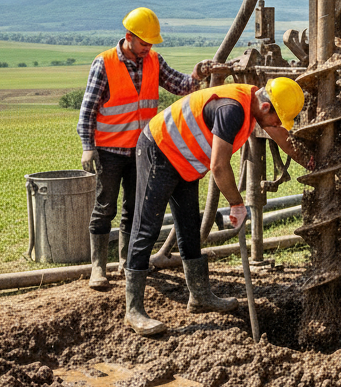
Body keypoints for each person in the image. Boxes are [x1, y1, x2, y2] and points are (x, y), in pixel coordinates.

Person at [123, 77, 308, 337]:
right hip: (160, 148)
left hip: (184, 159)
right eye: (278, 119)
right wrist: (236, 203)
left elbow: (283, 138)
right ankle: (134, 310)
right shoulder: (232, 109)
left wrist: (311, 162)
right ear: (266, 107)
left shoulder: (258, 107)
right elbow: (219, 167)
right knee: (147, 226)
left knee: (188, 225)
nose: (278, 125)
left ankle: (199, 296)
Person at [77, 7, 212, 290]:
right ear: (128, 37)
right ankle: (98, 268)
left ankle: (127, 262)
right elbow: (88, 109)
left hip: (141, 151)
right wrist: (87, 146)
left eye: (151, 44)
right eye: (143, 43)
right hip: (110, 151)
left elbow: (179, 84)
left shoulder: (153, 60)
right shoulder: (104, 64)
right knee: (105, 207)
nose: (147, 48)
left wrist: (197, 75)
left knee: (133, 208)